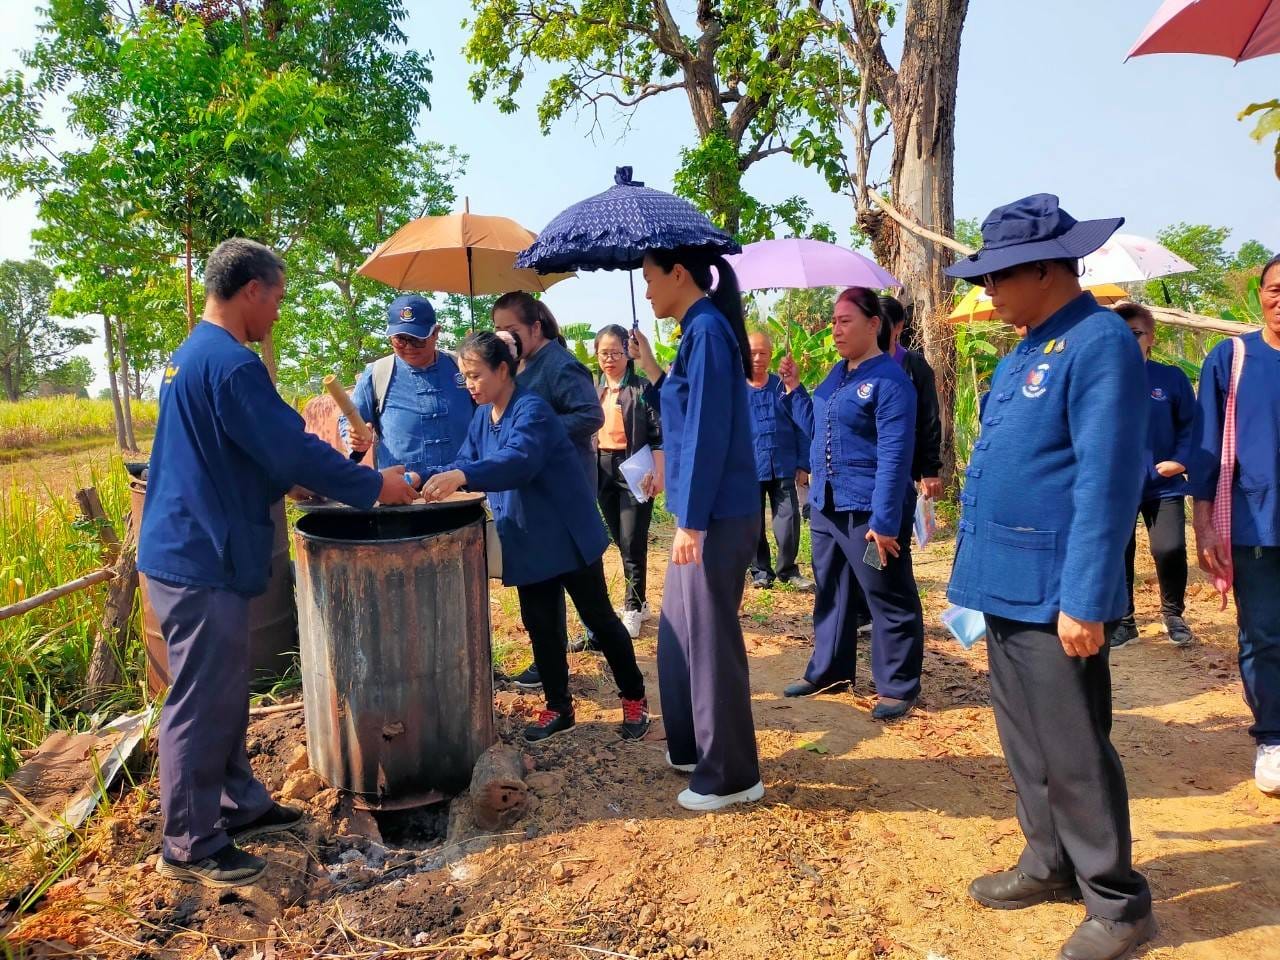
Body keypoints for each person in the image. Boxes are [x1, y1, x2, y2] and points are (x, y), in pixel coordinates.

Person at [137, 239, 416, 889]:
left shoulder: (190, 356)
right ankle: (189, 842)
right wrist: (374, 486)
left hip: (194, 545)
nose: (279, 313)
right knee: (200, 699)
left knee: (223, 689)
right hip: (200, 553)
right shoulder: (232, 365)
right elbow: (289, 449)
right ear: (252, 291)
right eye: (279, 299)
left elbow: (246, 453)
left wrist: (299, 480)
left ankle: (236, 801)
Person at [944, 194, 1154, 960]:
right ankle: (1049, 861)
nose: (988, 291)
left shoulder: (1100, 343)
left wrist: (1086, 597)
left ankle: (1118, 902)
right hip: (1004, 580)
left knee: (1073, 749)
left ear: (1045, 269)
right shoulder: (1028, 348)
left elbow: (1105, 481)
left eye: (999, 276)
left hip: (1055, 587)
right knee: (1026, 741)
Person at [419, 331, 650, 744]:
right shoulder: (483, 417)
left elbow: (518, 460)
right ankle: (559, 707)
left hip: (566, 534)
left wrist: (464, 475)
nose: (469, 385)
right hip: (525, 537)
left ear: (502, 370)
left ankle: (634, 696)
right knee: (541, 626)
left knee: (599, 619)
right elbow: (464, 459)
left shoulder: (533, 410)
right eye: (464, 377)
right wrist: (420, 476)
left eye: (475, 375)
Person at [643, 245, 764, 812]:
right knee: (679, 631)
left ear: (678, 274)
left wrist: (691, 522)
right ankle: (694, 745)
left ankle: (732, 773)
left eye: (650, 278)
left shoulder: (709, 331)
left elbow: (707, 434)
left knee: (710, 640)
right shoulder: (696, 332)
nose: (647, 291)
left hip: (715, 514)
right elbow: (685, 414)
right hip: (700, 513)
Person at [777, 288, 924, 722]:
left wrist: (885, 520)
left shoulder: (890, 382)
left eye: (845, 321)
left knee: (887, 594)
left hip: (867, 510)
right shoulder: (837, 375)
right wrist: (794, 389)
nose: (836, 330)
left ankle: (898, 685)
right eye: (834, 321)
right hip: (827, 505)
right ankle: (830, 671)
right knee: (832, 591)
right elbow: (816, 427)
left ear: (873, 324)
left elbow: (895, 457)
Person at [1190, 254, 1280, 796]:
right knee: (1264, 633)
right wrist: (1204, 525)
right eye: (1275, 289)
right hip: (1256, 523)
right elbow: (1204, 447)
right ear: (1261, 295)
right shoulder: (1233, 358)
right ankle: (1273, 737)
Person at [492, 292, 605, 689]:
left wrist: (539, 429)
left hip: (564, 495)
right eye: (498, 330)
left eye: (511, 330)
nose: (505, 337)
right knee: (542, 586)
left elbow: (590, 415)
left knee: (576, 584)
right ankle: (549, 663)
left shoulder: (559, 364)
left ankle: (603, 648)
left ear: (536, 327)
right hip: (533, 496)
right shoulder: (517, 367)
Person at [1113, 301, 1198, 649]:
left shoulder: (1170, 378)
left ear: (1151, 338)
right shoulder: (1102, 377)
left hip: (1164, 483)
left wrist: (1180, 461)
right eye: (1120, 334)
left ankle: (1173, 614)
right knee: (1119, 551)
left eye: (1135, 333)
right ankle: (1124, 621)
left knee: (1170, 547)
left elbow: (1192, 426)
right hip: (1116, 484)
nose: (1127, 340)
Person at [341, 295, 474, 474]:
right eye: (400, 340)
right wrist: (354, 438)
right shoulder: (377, 374)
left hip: (464, 485)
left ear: (436, 332)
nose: (409, 347)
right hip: (403, 488)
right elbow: (351, 420)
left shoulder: (461, 367)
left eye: (417, 339)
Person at [589, 324, 664, 640]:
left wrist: (658, 472)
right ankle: (641, 600)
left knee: (633, 540)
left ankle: (632, 608)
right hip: (602, 469)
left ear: (627, 353)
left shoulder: (642, 389)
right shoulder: (594, 391)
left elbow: (659, 434)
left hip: (635, 468)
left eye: (615, 353)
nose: (609, 359)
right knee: (621, 540)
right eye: (603, 353)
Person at [746, 329, 814, 591]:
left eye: (763, 353)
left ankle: (787, 570)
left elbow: (802, 425)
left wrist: (803, 463)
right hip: (749, 468)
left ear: (771, 355)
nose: (757, 358)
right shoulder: (734, 391)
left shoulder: (784, 387)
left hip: (784, 464)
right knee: (752, 522)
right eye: (752, 353)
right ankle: (760, 571)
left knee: (788, 521)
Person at [879, 295, 944, 500]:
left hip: (903, 466)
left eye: (881, 323)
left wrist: (929, 470)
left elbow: (929, 418)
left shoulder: (914, 366)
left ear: (898, 327)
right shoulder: (855, 366)